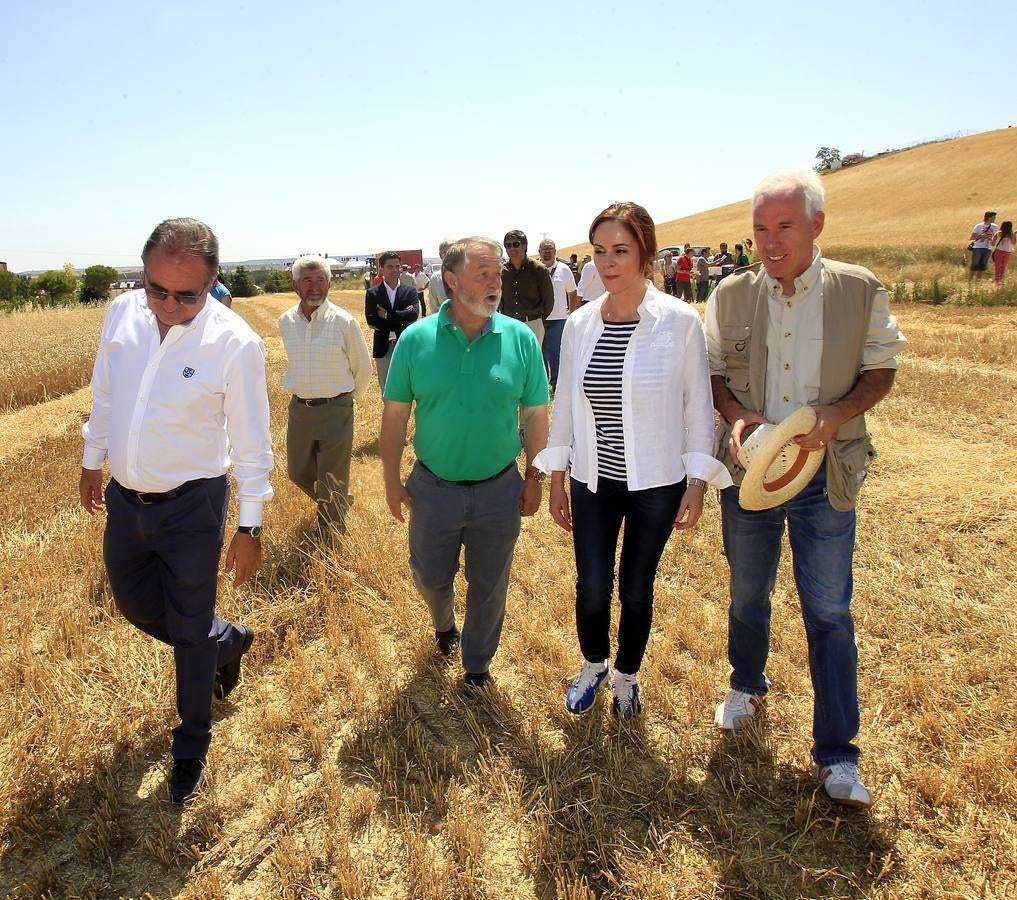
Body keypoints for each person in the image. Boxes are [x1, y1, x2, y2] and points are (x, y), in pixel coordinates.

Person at [704, 169, 907, 809]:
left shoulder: (858, 290)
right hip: (749, 474)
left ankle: (839, 756)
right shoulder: (730, 295)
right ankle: (746, 683)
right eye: (760, 228)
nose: (769, 240)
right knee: (746, 593)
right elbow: (712, 376)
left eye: (784, 225)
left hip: (827, 475)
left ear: (816, 225)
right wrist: (736, 419)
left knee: (829, 610)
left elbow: (881, 368)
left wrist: (836, 415)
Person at [79, 218, 273, 804]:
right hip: (125, 499)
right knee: (134, 604)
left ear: (213, 281)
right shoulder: (122, 315)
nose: (166, 305)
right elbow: (106, 395)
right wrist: (93, 460)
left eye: (185, 295)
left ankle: (190, 744)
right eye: (155, 289)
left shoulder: (235, 343)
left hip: (193, 505)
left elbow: (251, 442)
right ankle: (223, 641)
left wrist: (250, 525)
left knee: (186, 630)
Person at [536, 203, 732, 720]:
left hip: (658, 483)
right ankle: (593, 664)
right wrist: (557, 479)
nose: (607, 262)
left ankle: (627, 676)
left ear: (645, 254)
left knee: (637, 588)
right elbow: (566, 408)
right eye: (600, 251)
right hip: (592, 481)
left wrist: (696, 483)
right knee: (593, 585)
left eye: (620, 250)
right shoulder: (578, 326)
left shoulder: (681, 321)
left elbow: (698, 405)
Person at [380, 237, 549, 687]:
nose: (496, 283)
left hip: (500, 489)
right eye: (484, 274)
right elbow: (395, 416)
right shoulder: (416, 341)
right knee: (430, 577)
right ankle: (443, 621)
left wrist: (535, 477)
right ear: (452, 281)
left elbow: (535, 414)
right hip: (432, 489)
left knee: (490, 586)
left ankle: (477, 665)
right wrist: (391, 481)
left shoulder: (521, 340)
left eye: (498, 274)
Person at [278, 255, 372, 536]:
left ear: (329, 284)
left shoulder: (343, 322)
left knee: (332, 478)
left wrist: (345, 402)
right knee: (297, 473)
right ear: (295, 285)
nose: (315, 286)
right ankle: (338, 502)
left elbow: (363, 368)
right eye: (307, 280)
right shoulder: (286, 322)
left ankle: (330, 536)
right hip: (300, 410)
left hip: (336, 409)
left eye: (321, 280)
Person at [365, 251, 422, 391]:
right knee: (387, 390)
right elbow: (372, 321)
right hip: (384, 348)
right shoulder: (372, 293)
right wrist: (402, 317)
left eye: (398, 266)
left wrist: (386, 315)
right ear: (381, 269)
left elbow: (414, 315)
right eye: (390, 267)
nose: (395, 270)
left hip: (405, 345)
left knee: (408, 388)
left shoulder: (410, 291)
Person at [537, 237, 578, 392]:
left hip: (558, 319)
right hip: (538, 318)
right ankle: (541, 385)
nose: (547, 252)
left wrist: (572, 313)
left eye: (550, 249)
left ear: (555, 251)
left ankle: (556, 384)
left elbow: (572, 292)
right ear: (539, 252)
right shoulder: (535, 268)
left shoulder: (564, 269)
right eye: (544, 249)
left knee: (556, 352)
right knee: (540, 353)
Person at [501, 229, 554, 344]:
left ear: (524, 246)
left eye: (516, 244)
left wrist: (537, 319)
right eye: (508, 246)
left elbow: (548, 301)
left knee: (532, 360)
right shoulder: (502, 271)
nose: (512, 249)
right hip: (509, 324)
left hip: (533, 324)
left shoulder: (539, 270)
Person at [968, 211, 998, 284]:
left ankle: (978, 282)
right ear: (989, 217)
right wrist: (982, 236)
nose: (995, 218)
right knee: (975, 264)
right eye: (994, 217)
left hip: (988, 248)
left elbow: (996, 237)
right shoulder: (979, 226)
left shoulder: (995, 226)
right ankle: (969, 282)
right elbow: (972, 237)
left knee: (982, 265)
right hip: (978, 247)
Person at [427, 240, 452, 314]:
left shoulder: (466, 276)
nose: (449, 256)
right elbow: (434, 307)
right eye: (445, 252)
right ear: (440, 255)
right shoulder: (435, 279)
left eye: (452, 252)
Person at [990, 219, 1013, 284]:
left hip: (998, 251)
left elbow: (992, 243)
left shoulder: (998, 233)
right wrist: (1012, 235)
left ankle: (997, 280)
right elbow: (1014, 243)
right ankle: (1001, 280)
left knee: (998, 266)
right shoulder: (1011, 234)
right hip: (1007, 252)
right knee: (1004, 266)